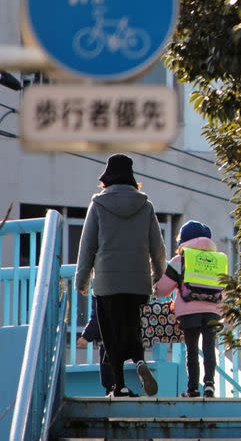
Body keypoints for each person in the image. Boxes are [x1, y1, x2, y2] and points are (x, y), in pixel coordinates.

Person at [75, 153, 166, 397]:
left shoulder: (98, 205)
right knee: (134, 328)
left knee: (110, 334)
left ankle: (119, 385)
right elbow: (157, 247)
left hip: (107, 282)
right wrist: (159, 275)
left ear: (106, 178)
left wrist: (81, 279)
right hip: (138, 282)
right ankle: (138, 360)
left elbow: (88, 246)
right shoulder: (146, 206)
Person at [155, 220, 226, 398]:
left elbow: (162, 289)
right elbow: (224, 288)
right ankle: (209, 385)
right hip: (213, 312)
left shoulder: (180, 260)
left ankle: (193, 389)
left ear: (184, 240)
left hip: (188, 312)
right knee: (209, 347)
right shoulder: (218, 260)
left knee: (192, 350)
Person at [76, 296, 113, 395]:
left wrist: (86, 337)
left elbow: (97, 318)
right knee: (116, 370)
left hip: (107, 344)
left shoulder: (99, 292)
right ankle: (139, 362)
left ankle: (112, 392)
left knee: (108, 378)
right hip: (122, 336)